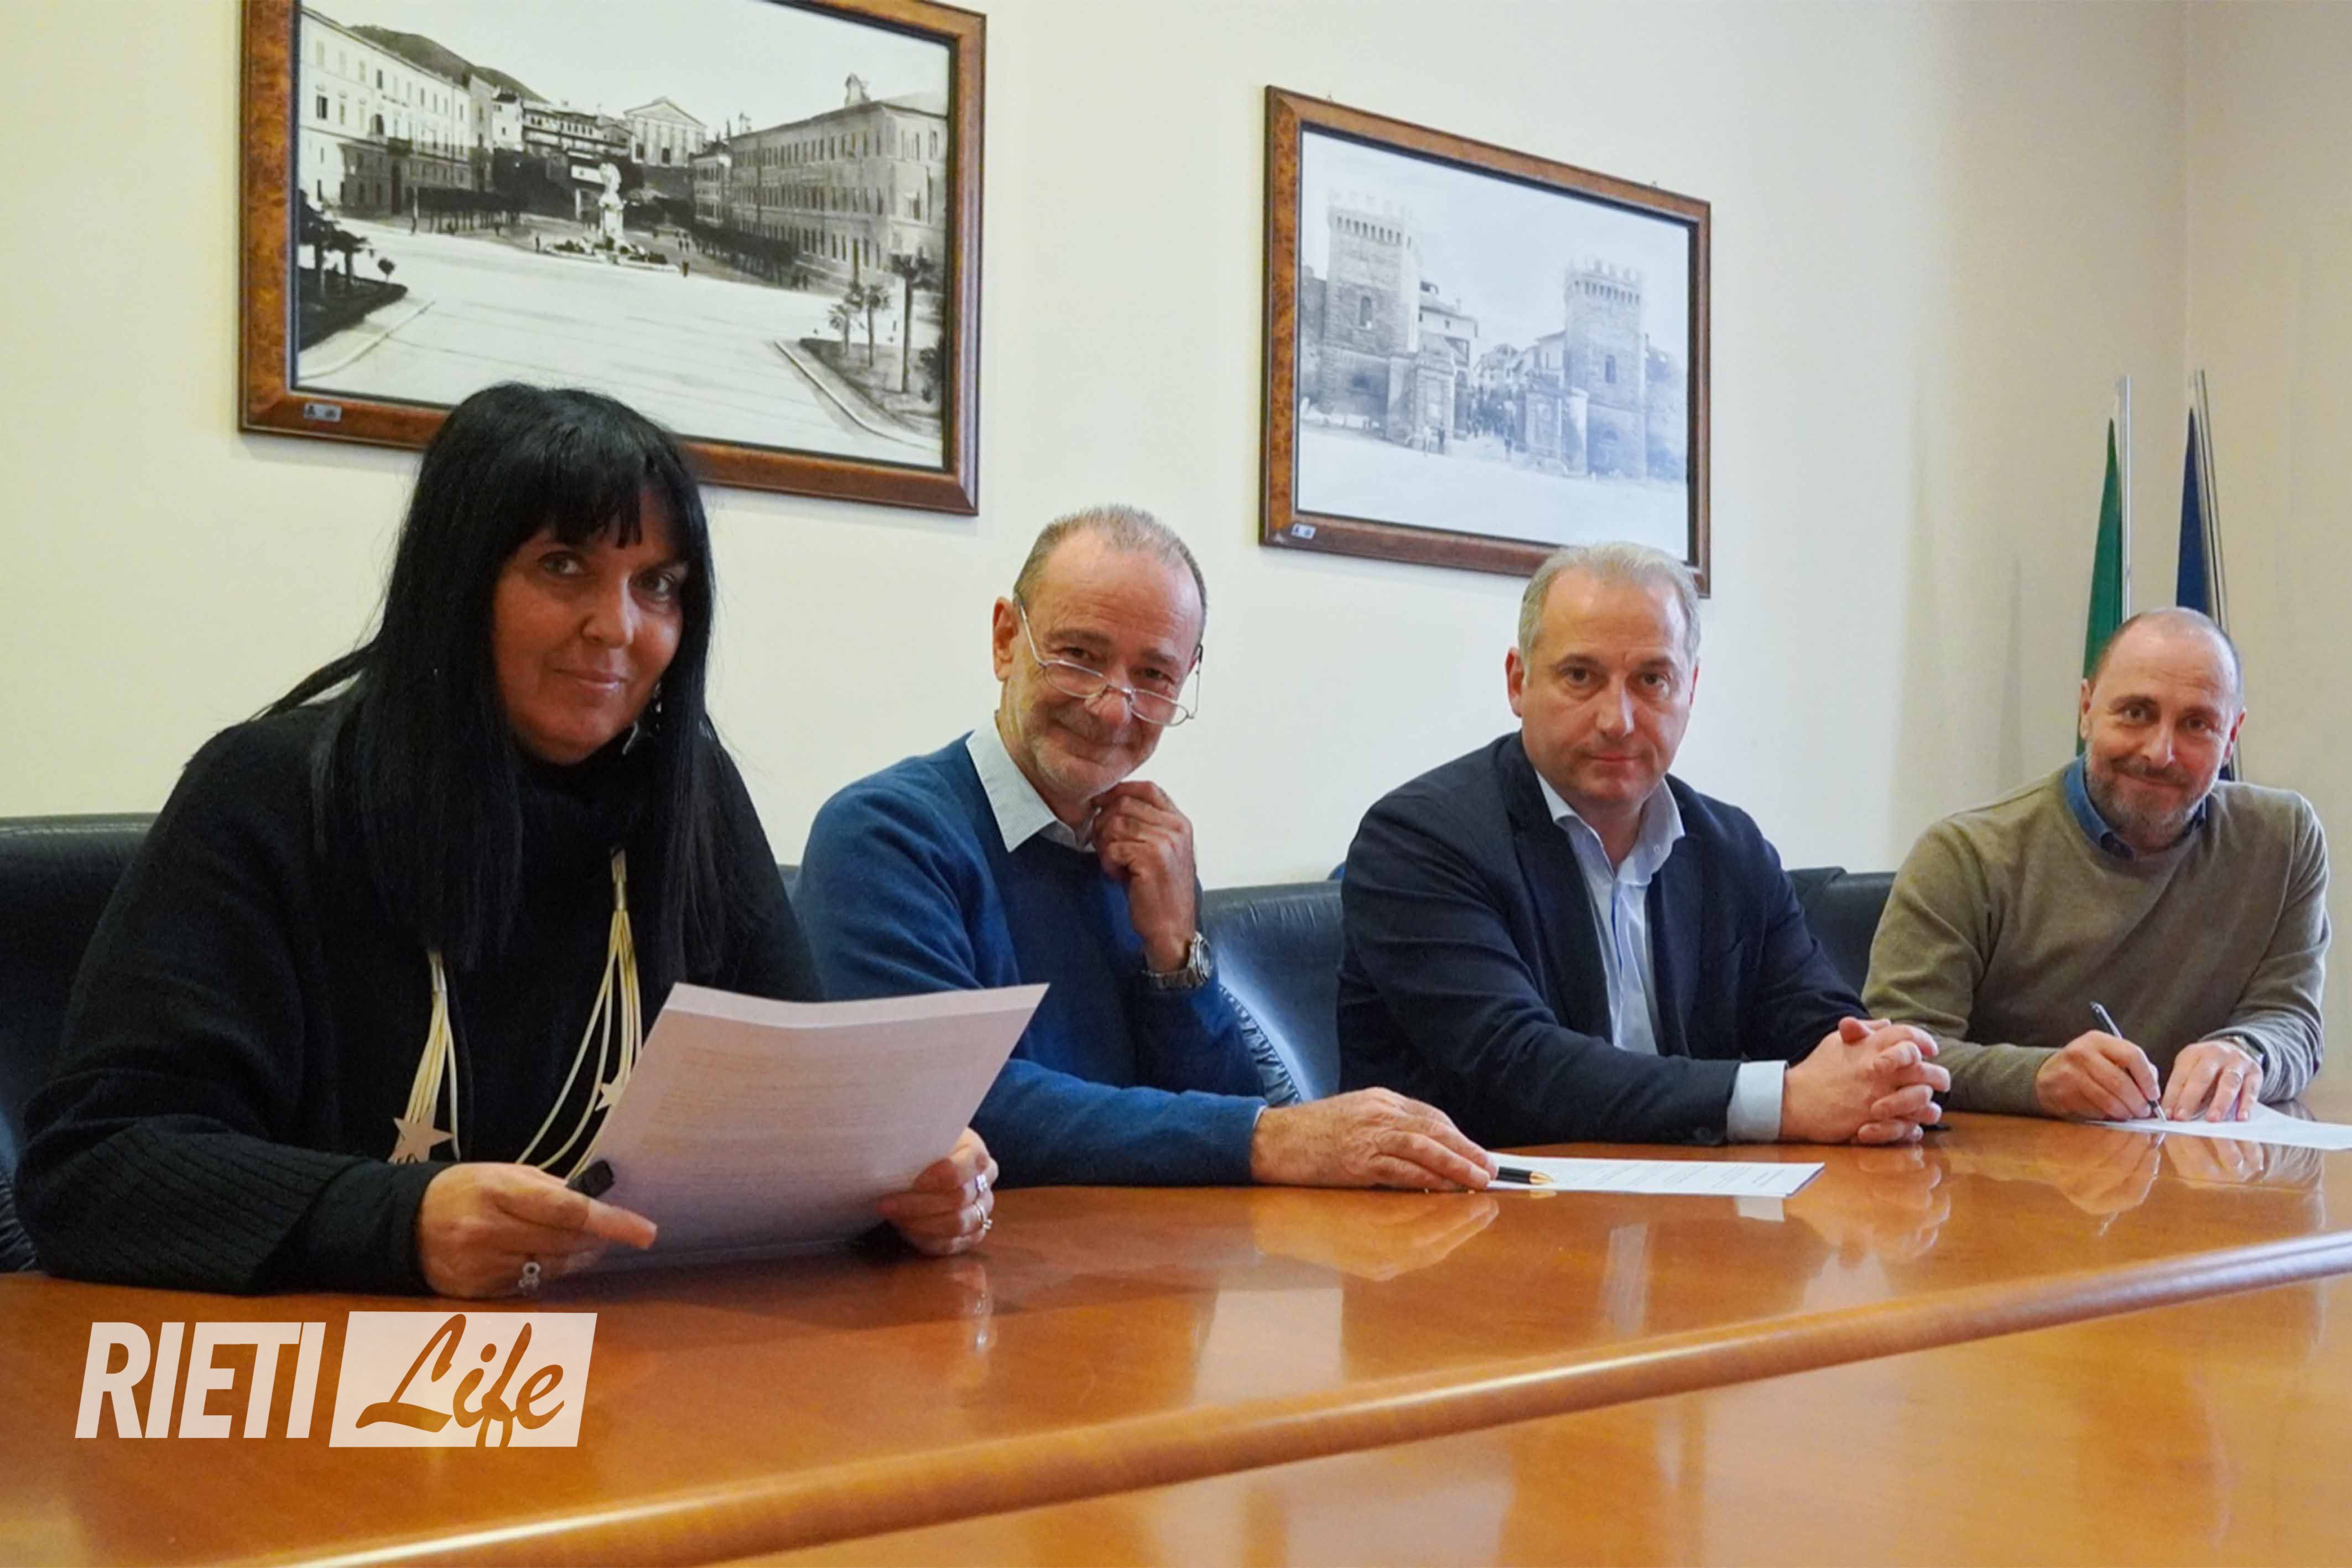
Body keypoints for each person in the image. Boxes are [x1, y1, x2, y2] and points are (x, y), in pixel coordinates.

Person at [18, 384, 992, 1298]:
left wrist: (903, 1177)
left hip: (641, 1368)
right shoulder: (269, 794)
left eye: (657, 584)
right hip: (335, 1379)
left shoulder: (689, 795)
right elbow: (92, 1166)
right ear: (456, 583)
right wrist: (397, 1221)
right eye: (563, 567)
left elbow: (804, 1125)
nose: (616, 627)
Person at [796, 505, 1496, 1190]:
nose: (1112, 707)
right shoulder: (885, 834)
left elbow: (1222, 1108)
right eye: (1078, 656)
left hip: (1150, 1253)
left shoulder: (1149, 853)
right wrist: (1260, 1138)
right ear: (1006, 640)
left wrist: (1175, 957)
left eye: (1154, 677)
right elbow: (944, 1108)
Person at [1339, 541, 1949, 1148]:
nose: (1618, 720)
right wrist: (1783, 1101)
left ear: (1691, 690)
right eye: (1581, 676)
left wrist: (1881, 1074)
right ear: (1519, 682)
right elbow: (1517, 1066)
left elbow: (1819, 1025)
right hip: (1484, 1198)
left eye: (1652, 680)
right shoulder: (1420, 840)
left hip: (1694, 1200)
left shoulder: (1729, 847)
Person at [1865, 608, 2327, 1122]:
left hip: (2197, 1163)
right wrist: (2037, 1080)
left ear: (2231, 737)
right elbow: (1893, 1052)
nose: (2160, 752)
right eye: (2136, 712)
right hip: (2005, 1164)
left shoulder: (2283, 840)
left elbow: (2291, 1018)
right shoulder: (1964, 855)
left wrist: (2247, 1052)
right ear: (2086, 710)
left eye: (2197, 724)